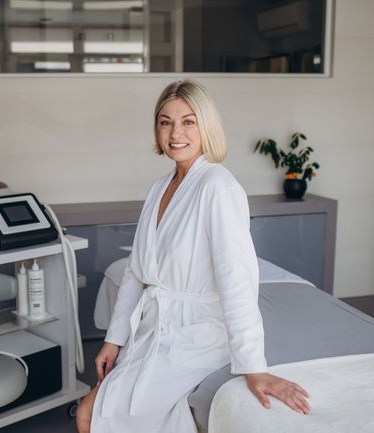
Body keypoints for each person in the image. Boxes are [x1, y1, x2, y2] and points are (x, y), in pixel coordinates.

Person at [75, 80, 311, 433]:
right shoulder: (160, 187)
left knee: (89, 413)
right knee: (90, 412)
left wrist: (254, 367)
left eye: (188, 121)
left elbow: (237, 281)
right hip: (155, 331)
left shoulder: (218, 186)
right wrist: (114, 339)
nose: (175, 132)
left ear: (207, 125)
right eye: (165, 121)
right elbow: (136, 273)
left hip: (196, 338)